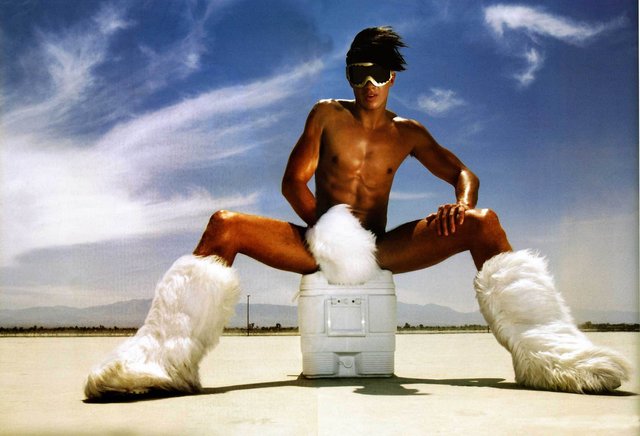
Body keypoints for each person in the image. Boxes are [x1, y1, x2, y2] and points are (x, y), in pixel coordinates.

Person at [84, 27, 629, 400]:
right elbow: (292, 182)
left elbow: (464, 173)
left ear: (394, 78)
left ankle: (552, 357)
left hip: (382, 246)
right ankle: (159, 362)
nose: (369, 84)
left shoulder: (408, 132)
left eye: (380, 73)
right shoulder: (326, 114)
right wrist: (329, 234)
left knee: (484, 223)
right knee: (224, 225)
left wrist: (460, 204)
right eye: (359, 72)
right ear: (349, 75)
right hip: (317, 240)